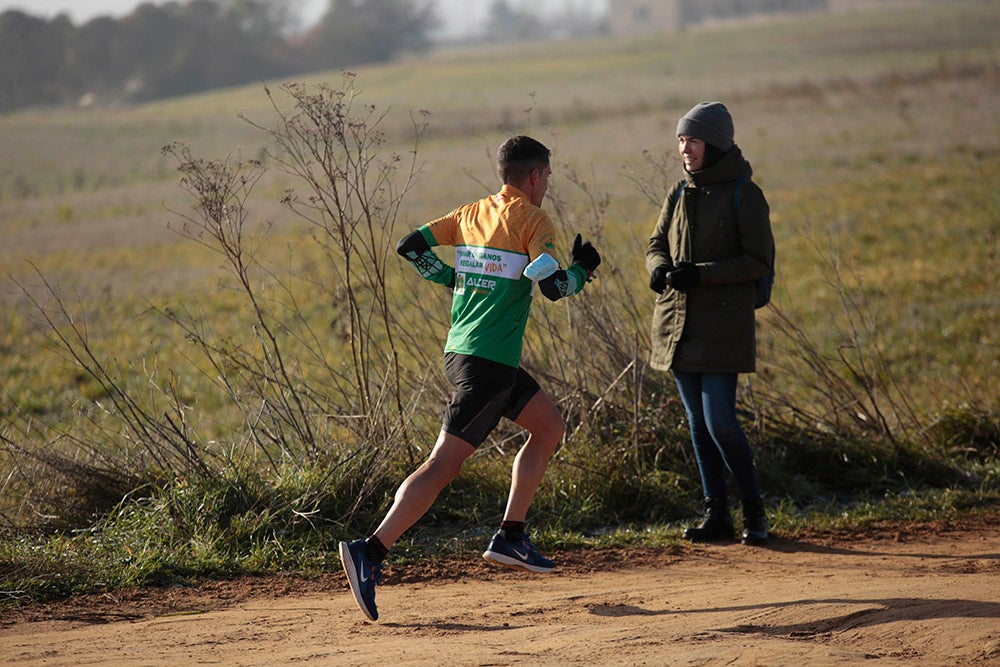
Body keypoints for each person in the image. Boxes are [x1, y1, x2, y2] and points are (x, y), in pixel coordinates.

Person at [339, 135, 601, 621]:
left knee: (548, 429)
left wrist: (452, 279)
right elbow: (554, 288)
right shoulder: (534, 220)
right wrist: (584, 269)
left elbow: (410, 246)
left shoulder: (468, 214)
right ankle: (370, 551)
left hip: (467, 352)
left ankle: (511, 536)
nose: (547, 185)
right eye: (547, 177)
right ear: (535, 176)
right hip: (489, 365)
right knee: (444, 465)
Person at [645, 101, 774, 546]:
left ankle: (754, 511)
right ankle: (716, 514)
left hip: (722, 327)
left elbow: (758, 261)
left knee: (720, 420)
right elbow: (655, 242)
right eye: (681, 139)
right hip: (677, 324)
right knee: (698, 423)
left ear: (716, 144)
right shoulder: (679, 193)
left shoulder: (745, 194)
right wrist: (658, 269)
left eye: (693, 140)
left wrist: (701, 272)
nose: (685, 148)